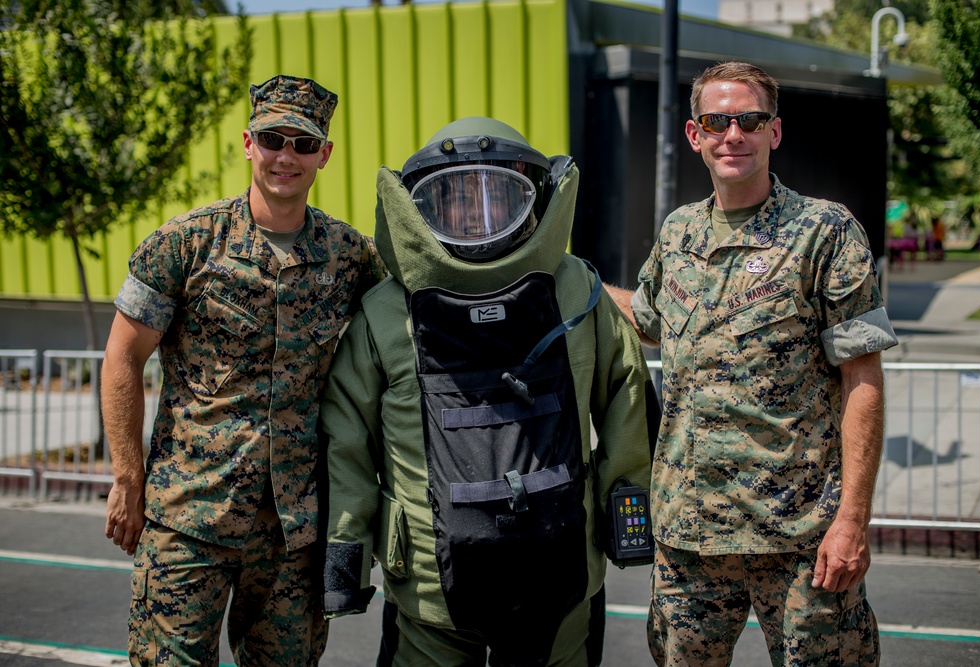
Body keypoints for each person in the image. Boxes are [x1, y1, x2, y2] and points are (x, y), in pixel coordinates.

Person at [319, 116, 656, 666]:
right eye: (455, 197)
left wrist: (626, 510)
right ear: (421, 210)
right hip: (432, 589)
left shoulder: (578, 292)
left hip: (560, 577)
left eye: (499, 195)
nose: (477, 213)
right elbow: (346, 448)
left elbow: (628, 400)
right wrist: (345, 558)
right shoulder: (385, 313)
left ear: (536, 198)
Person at [605, 61, 898, 666]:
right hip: (689, 536)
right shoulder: (678, 232)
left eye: (749, 120)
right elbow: (650, 319)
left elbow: (863, 380)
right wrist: (569, 276)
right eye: (717, 120)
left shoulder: (827, 232)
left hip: (801, 538)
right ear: (695, 134)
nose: (732, 134)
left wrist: (852, 522)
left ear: (775, 131)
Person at [101, 74, 385, 665]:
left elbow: (397, 338)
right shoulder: (185, 245)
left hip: (293, 530)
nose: (287, 156)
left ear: (324, 155)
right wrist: (127, 478)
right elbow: (123, 357)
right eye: (273, 139)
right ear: (249, 143)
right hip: (188, 518)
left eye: (304, 144)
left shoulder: (349, 255)